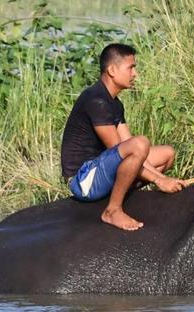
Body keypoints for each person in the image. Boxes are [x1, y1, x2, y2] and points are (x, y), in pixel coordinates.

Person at [60, 43, 186, 231]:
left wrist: (165, 178)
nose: (135, 74)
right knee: (140, 144)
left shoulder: (115, 104)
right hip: (83, 179)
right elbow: (121, 148)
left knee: (167, 153)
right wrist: (160, 180)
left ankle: (121, 193)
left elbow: (130, 147)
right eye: (131, 68)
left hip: (102, 168)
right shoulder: (96, 101)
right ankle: (112, 210)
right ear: (111, 70)